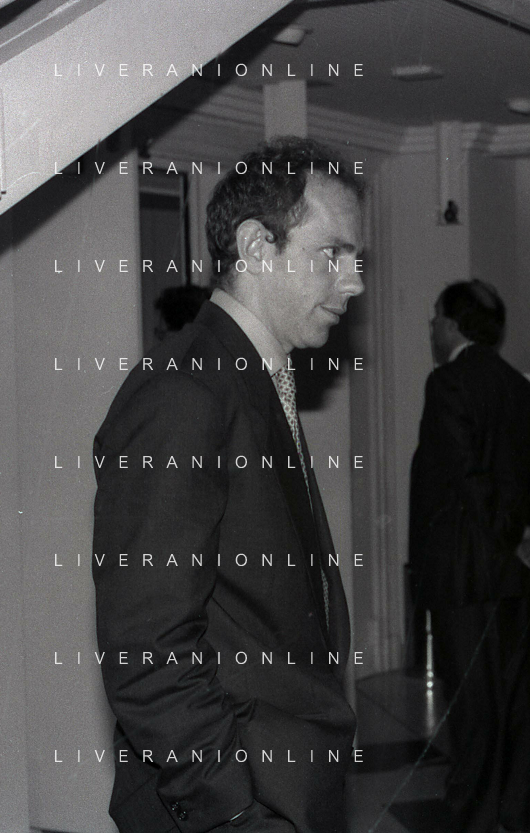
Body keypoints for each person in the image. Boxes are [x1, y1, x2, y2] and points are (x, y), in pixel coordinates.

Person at [91, 137, 364, 833]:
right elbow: (147, 649)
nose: (353, 283)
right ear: (255, 247)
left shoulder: (247, 376)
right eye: (332, 254)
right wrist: (234, 811)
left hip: (281, 782)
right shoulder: (183, 391)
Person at [409, 279, 530, 833]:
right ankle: (513, 816)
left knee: (472, 709)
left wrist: (515, 535)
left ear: (452, 325)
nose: (431, 327)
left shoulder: (446, 382)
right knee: (516, 704)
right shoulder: (518, 386)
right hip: (516, 575)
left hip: (465, 576)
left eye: (434, 317)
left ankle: (472, 821)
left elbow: (468, 476)